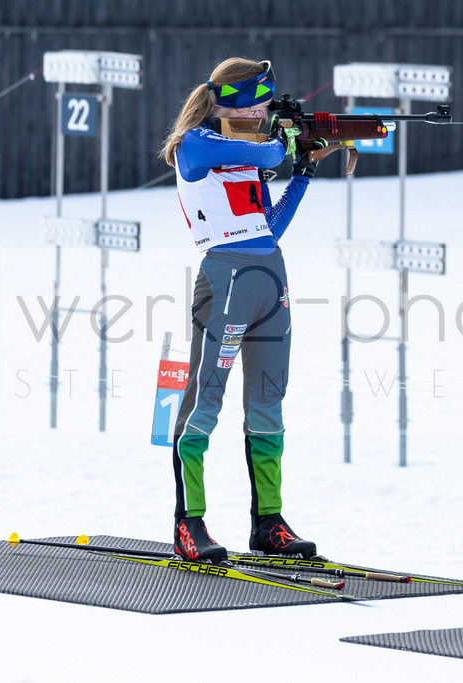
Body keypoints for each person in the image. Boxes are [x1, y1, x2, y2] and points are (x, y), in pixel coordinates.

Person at [159, 58, 327, 563]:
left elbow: (266, 229)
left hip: (268, 274)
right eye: (256, 102)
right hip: (224, 278)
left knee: (268, 400)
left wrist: (303, 172)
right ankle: (189, 524)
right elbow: (225, 153)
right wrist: (281, 146)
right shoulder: (196, 143)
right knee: (203, 401)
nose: (262, 111)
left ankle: (269, 522)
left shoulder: (250, 153)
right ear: (231, 103)